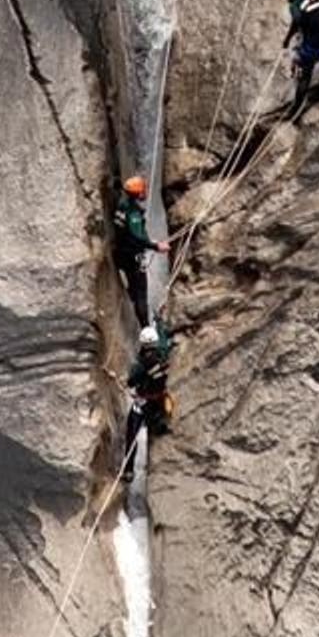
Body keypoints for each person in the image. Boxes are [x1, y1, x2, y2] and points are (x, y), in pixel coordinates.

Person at [113, 175, 169, 327]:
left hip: (122, 255)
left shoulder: (122, 206)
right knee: (141, 294)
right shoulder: (133, 212)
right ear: (137, 193)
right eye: (143, 190)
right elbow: (135, 238)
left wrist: (151, 242)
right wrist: (156, 247)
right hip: (132, 257)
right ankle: (145, 328)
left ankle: (138, 322)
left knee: (134, 291)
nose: (145, 192)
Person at [123, 321, 176, 480]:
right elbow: (165, 342)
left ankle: (129, 470)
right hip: (158, 402)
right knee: (155, 423)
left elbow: (131, 381)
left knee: (132, 433)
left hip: (143, 403)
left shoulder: (143, 364)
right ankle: (159, 424)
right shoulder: (162, 356)